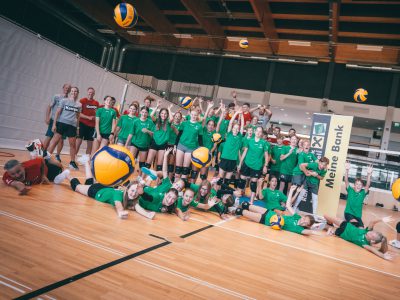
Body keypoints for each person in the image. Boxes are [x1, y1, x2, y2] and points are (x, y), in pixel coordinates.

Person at [56, 158, 138, 219]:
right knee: (77, 187)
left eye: (136, 192)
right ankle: (67, 175)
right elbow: (118, 204)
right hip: (96, 191)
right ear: (127, 189)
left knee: (88, 184)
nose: (133, 194)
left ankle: (86, 162)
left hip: (104, 187)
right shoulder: (119, 194)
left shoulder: (128, 196)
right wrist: (120, 212)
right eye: (132, 191)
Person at [235, 185, 322, 236]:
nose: (303, 222)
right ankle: (234, 207)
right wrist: (291, 191)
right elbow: (288, 205)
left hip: (267, 221)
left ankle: (232, 210)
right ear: (303, 216)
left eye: (305, 223)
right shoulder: (297, 216)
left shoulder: (299, 229)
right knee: (246, 204)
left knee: (240, 211)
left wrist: (323, 233)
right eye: (304, 219)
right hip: (270, 213)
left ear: (306, 226)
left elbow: (311, 232)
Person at [324, 214, 394, 260]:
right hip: (346, 225)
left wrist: (383, 256)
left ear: (372, 241)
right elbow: (372, 222)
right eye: (373, 232)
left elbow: (373, 250)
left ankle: (330, 227)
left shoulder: (365, 244)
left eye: (372, 235)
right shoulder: (367, 231)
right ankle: (330, 225)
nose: (371, 232)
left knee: (324, 227)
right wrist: (382, 219)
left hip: (341, 233)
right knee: (325, 215)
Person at [47, 86, 82, 170]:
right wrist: (54, 124)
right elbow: (57, 113)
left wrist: (77, 128)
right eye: (72, 91)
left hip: (72, 126)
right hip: (62, 123)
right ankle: (47, 158)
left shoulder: (79, 104)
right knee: (54, 141)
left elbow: (78, 117)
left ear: (77, 93)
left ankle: (72, 162)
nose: (74, 92)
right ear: (70, 92)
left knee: (72, 144)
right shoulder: (64, 101)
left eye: (76, 91)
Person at [238, 126, 270, 204]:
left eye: (260, 132)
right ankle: (238, 199)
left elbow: (266, 155)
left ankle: (251, 202)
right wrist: (240, 163)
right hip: (247, 163)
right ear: (255, 132)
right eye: (257, 131)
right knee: (242, 179)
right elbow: (245, 152)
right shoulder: (250, 141)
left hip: (256, 166)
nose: (258, 133)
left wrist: (265, 166)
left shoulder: (264, 143)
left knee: (253, 183)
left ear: (262, 133)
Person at [216, 108, 244, 188]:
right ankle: (216, 194)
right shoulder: (229, 134)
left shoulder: (239, 137)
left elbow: (242, 126)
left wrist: (241, 116)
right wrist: (237, 113)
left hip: (233, 160)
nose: (236, 130)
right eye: (234, 128)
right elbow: (231, 122)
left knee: (227, 181)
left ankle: (223, 195)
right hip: (224, 158)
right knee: (220, 179)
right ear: (232, 129)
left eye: (237, 129)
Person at [43, 83, 71, 162]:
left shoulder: (69, 100)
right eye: (66, 87)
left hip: (63, 123)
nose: (67, 89)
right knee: (49, 136)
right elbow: (49, 106)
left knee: (61, 140)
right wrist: (47, 117)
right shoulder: (56, 97)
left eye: (69, 88)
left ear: (70, 90)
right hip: (53, 121)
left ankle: (57, 155)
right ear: (63, 88)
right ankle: (43, 152)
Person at [146, 105, 177, 173]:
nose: (164, 115)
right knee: (148, 164)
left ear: (167, 115)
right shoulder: (156, 121)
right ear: (159, 114)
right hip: (154, 143)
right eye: (162, 113)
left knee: (159, 165)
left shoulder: (168, 123)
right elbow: (151, 115)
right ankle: (142, 179)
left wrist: (168, 108)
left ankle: (158, 182)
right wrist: (156, 107)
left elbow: (171, 118)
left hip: (163, 145)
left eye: (165, 114)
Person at [174, 108, 203, 181]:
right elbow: (179, 135)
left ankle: (181, 188)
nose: (193, 116)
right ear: (190, 114)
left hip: (191, 148)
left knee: (185, 169)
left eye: (195, 115)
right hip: (181, 145)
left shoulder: (199, 126)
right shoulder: (184, 123)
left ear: (197, 116)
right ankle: (174, 186)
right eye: (192, 114)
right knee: (178, 168)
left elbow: (200, 139)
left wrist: (201, 150)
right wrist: (175, 146)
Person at [125, 106, 154, 174]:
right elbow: (131, 134)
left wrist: (148, 131)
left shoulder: (150, 122)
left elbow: (153, 134)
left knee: (142, 163)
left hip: (144, 145)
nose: (144, 114)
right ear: (140, 112)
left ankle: (140, 177)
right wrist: (126, 144)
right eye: (143, 112)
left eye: (146, 112)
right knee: (131, 160)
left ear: (148, 114)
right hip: (135, 143)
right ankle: (126, 175)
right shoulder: (136, 121)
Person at [343, 161, 373, 228]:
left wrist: (369, 174)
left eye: (360, 184)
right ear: (354, 185)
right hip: (348, 213)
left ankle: (348, 225)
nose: (358, 186)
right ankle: (346, 224)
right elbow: (346, 180)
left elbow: (368, 184)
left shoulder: (362, 193)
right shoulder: (350, 190)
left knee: (361, 228)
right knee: (354, 223)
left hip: (357, 216)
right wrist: (347, 170)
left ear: (362, 186)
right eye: (357, 184)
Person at [76, 87, 99, 156]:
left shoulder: (96, 103)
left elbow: (98, 114)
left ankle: (86, 159)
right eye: (89, 92)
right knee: (78, 142)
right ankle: (73, 159)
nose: (90, 94)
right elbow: (78, 113)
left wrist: (95, 117)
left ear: (94, 94)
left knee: (90, 144)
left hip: (92, 126)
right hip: (82, 124)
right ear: (87, 92)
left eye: (92, 93)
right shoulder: (82, 101)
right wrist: (88, 117)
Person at [167, 110, 183, 179]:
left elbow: (179, 136)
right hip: (167, 144)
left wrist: (174, 128)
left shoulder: (181, 126)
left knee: (171, 164)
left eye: (179, 116)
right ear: (174, 117)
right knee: (165, 162)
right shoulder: (170, 124)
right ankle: (163, 178)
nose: (177, 117)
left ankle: (170, 179)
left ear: (181, 118)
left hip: (174, 145)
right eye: (176, 116)